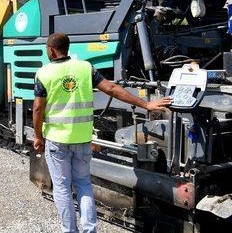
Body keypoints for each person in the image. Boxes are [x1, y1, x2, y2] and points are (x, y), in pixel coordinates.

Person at [32, 33, 173, 233]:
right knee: (83, 184)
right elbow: (112, 88)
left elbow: (38, 109)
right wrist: (146, 104)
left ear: (51, 50)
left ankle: (69, 230)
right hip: (82, 138)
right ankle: (90, 230)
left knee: (62, 188)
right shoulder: (85, 68)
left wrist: (38, 136)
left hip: (57, 140)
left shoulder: (43, 73)